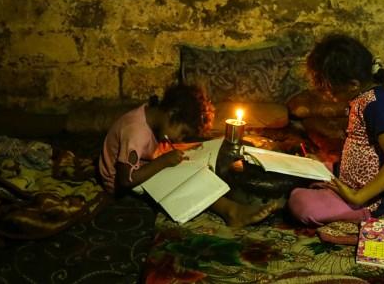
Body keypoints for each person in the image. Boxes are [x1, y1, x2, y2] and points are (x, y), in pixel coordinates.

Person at [98, 82, 278, 228]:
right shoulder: (135, 131)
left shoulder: (151, 117)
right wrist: (164, 161)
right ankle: (231, 211)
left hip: (144, 166)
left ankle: (228, 197)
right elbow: (126, 179)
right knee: (186, 175)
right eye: (183, 132)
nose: (180, 138)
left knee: (199, 156)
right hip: (122, 184)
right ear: (172, 113)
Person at [288, 34, 384, 226]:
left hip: (369, 199)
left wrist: (358, 197)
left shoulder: (377, 105)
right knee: (296, 170)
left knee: (300, 203)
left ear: (353, 84)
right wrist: (326, 165)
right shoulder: (361, 99)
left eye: (331, 90)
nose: (327, 96)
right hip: (349, 180)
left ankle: (356, 209)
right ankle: (327, 185)